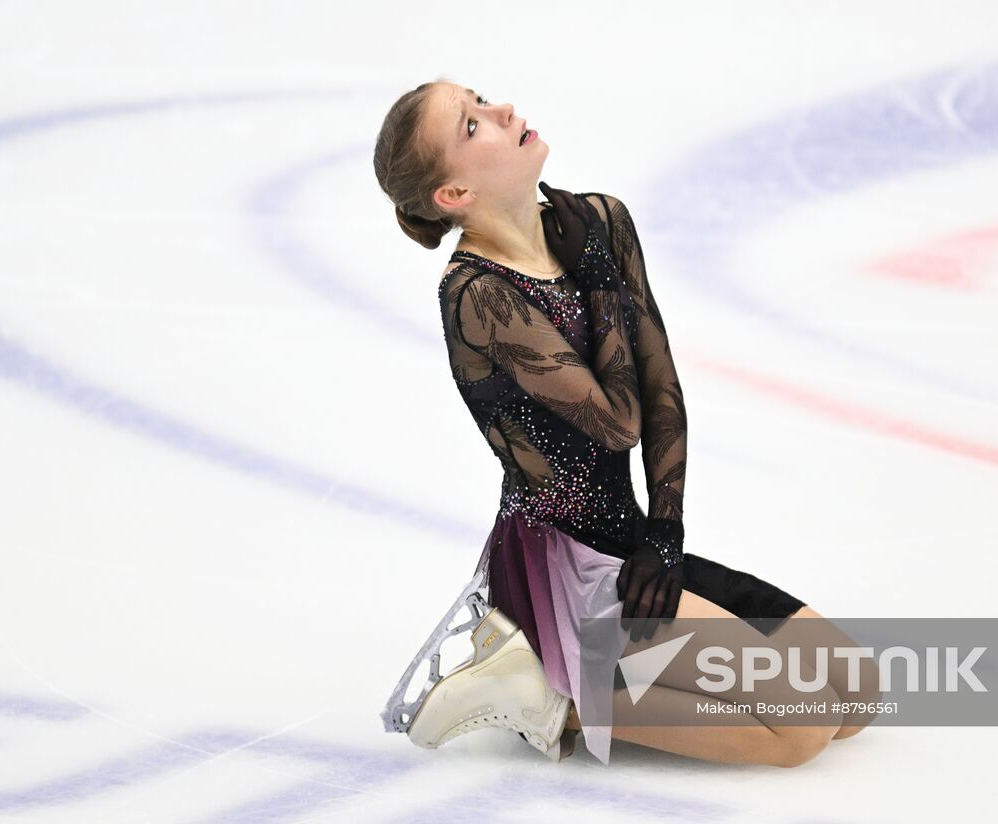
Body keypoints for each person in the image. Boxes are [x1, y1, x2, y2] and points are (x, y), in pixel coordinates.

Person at [372, 78, 877, 766]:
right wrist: (601, 282)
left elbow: (660, 381)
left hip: (629, 543)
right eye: (471, 125)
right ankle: (550, 694)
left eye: (483, 99)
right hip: (565, 569)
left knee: (854, 692)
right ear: (453, 196)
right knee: (802, 725)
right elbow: (616, 422)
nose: (502, 111)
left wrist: (665, 534)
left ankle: (569, 683)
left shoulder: (598, 221)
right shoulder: (478, 294)